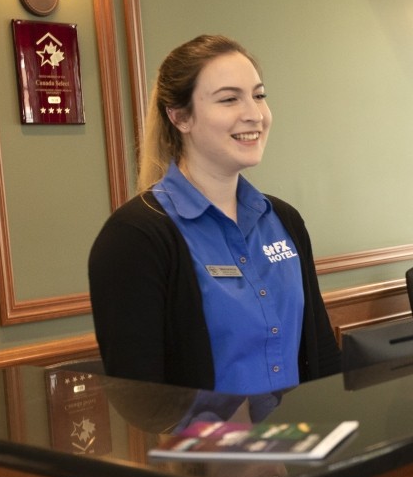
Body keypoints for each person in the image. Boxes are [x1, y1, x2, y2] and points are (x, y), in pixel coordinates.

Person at [89, 34, 341, 394]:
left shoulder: (284, 220)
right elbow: (140, 397)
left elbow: (323, 356)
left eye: (259, 96)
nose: (254, 114)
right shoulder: (135, 237)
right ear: (180, 116)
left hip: (296, 428)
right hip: (203, 433)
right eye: (229, 99)